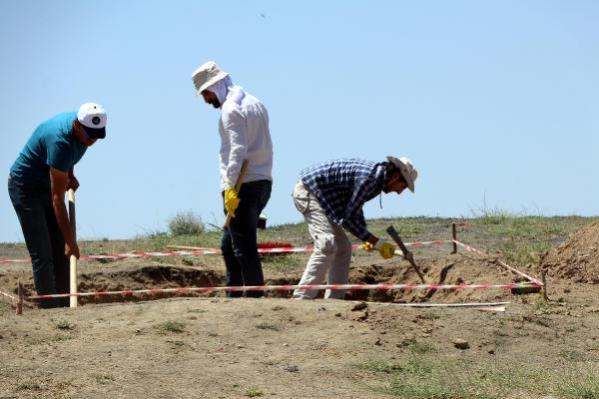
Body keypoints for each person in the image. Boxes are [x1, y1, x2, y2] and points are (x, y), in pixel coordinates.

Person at [8, 103, 108, 308]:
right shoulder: (60, 140)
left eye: (97, 136)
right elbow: (57, 200)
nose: (92, 141)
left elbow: (69, 156)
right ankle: (50, 309)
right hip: (25, 187)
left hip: (47, 181)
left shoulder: (83, 133)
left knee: (60, 250)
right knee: (43, 253)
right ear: (76, 125)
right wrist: (71, 241)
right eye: (89, 136)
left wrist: (70, 175)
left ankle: (63, 304)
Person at [191, 61, 273, 298]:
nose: (206, 100)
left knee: (243, 247)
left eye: (206, 94)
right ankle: (234, 297)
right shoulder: (255, 102)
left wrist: (229, 188)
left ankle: (255, 300)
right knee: (229, 245)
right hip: (262, 182)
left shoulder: (230, 109)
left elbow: (237, 149)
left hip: (241, 185)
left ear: (214, 86)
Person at [292, 156, 418, 299]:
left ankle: (335, 300)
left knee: (343, 248)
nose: (400, 192)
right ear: (396, 177)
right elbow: (349, 219)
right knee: (326, 243)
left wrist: (368, 239)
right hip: (310, 191)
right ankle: (302, 297)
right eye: (403, 187)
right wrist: (375, 241)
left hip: (328, 201)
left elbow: (355, 210)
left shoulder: (376, 179)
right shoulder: (370, 179)